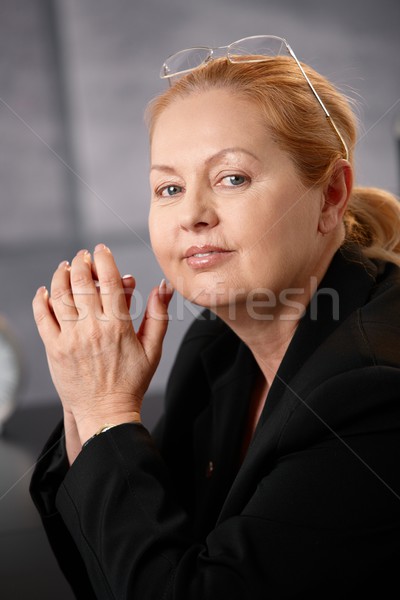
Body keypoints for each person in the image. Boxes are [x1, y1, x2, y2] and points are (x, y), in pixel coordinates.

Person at [30, 35, 400, 599]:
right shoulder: (216, 343)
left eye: (233, 178)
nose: (193, 215)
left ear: (329, 195)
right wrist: (88, 399)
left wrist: (106, 410)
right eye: (170, 188)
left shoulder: (376, 388)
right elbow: (117, 573)